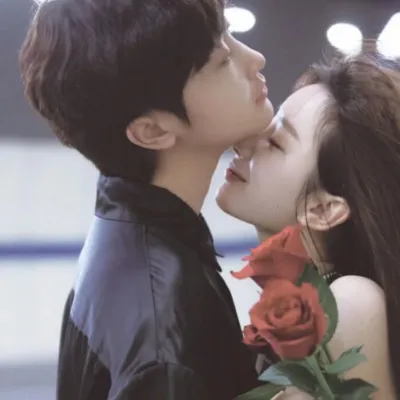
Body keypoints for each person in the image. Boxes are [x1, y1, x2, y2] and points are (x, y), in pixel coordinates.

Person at [19, 0, 274, 399]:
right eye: (222, 61)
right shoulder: (165, 328)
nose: (255, 59)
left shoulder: (125, 237)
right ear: (152, 132)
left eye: (231, 34)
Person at [217, 53, 399, 399]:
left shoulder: (350, 299)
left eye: (275, 143)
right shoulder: (311, 298)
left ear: (323, 209)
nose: (243, 143)